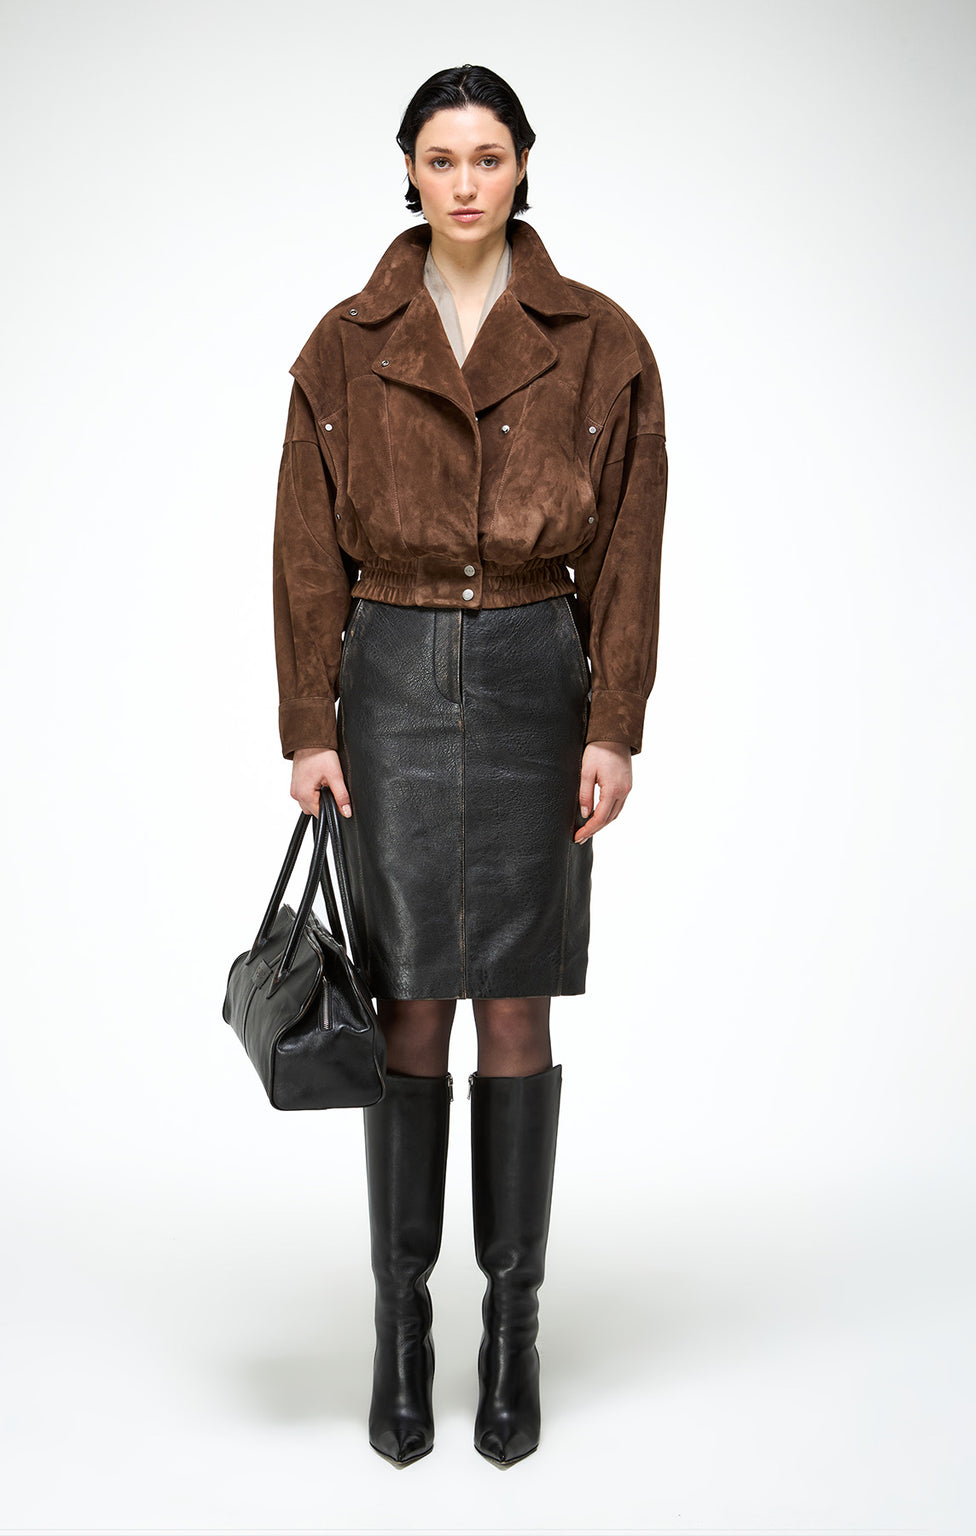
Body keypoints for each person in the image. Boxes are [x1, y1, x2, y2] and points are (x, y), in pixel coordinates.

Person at [272, 63, 668, 1468]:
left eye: (487, 156)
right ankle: (401, 1332)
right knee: (407, 1003)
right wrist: (310, 725)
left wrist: (612, 720)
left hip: (530, 679)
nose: (463, 181)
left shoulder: (601, 342)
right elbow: (302, 547)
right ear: (408, 171)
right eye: (440, 158)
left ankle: (513, 1331)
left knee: (514, 999)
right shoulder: (344, 343)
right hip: (386, 678)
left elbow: (629, 549)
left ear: (522, 167)